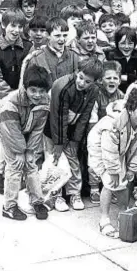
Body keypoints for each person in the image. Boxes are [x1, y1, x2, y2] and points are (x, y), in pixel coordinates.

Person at [88, 88, 137, 238]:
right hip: (100, 149)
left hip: (119, 150)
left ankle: (123, 213)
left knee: (123, 182)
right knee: (110, 182)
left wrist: (132, 168)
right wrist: (113, 171)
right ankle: (104, 219)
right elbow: (108, 150)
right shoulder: (114, 124)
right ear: (130, 110)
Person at [44, 57, 104, 212]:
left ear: (95, 82)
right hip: (53, 129)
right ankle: (56, 195)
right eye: (81, 77)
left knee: (73, 161)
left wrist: (76, 140)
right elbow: (58, 117)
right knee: (56, 163)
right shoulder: (62, 86)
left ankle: (74, 194)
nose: (82, 83)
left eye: (88, 82)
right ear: (77, 71)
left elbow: (84, 117)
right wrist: (58, 143)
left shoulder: (94, 91)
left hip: (72, 128)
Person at [0, 8, 32, 193]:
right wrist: (12, 97)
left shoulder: (29, 47)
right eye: (13, 25)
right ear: (4, 25)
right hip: (1, 98)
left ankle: (16, 173)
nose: (16, 30)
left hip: (23, 99)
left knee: (20, 135)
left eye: (20, 26)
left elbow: (30, 72)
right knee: (1, 133)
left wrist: (23, 96)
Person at [1, 65, 51, 221]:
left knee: (31, 165)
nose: (37, 95)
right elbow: (11, 130)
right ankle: (9, 206)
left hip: (28, 134)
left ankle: (37, 201)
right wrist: (19, 152)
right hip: (9, 133)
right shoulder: (11, 102)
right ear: (25, 87)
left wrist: (30, 150)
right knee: (15, 167)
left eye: (41, 91)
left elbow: (38, 129)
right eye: (33, 90)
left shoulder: (44, 101)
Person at [26, 17, 78, 88]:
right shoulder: (37, 58)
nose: (62, 39)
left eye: (65, 35)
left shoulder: (73, 56)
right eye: (57, 36)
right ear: (47, 35)